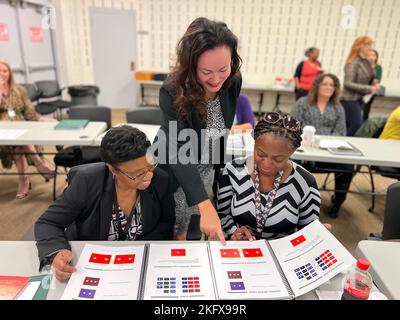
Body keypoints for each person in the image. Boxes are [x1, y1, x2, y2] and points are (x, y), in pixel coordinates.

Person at [35, 125, 175, 281]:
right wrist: (56, 253)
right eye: (137, 174)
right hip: (90, 266)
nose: (148, 176)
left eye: (151, 166)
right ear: (112, 169)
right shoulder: (87, 182)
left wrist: (138, 250)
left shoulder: (160, 179)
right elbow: (48, 223)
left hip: (138, 266)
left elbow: (166, 223)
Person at [156, 17, 242, 242]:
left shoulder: (232, 80)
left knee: (194, 230)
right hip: (176, 169)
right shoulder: (173, 90)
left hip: (206, 165)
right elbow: (177, 151)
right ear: (191, 65)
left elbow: (220, 128)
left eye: (223, 68)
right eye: (206, 72)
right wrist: (205, 205)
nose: (216, 80)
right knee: (174, 231)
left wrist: (205, 203)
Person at [217, 111, 321, 240]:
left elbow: (308, 231)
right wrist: (234, 232)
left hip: (283, 253)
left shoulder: (305, 182)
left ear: (292, 152)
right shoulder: (233, 170)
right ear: (254, 142)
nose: (266, 164)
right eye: (260, 154)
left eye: (278, 159)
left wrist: (317, 236)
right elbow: (222, 214)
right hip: (240, 248)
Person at [291, 73, 354, 218]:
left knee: (348, 166)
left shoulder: (338, 107)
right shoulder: (303, 102)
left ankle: (338, 202)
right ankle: (295, 202)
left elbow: (340, 132)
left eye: (332, 85)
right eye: (325, 84)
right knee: (291, 163)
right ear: (317, 86)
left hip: (328, 154)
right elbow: (293, 126)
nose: (328, 87)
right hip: (304, 151)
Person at [0, 60, 55, 199]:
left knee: (20, 142)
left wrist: (43, 119)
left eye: (5, 71)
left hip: (21, 127)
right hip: (3, 130)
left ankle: (23, 180)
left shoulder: (20, 90)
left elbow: (29, 111)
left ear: (10, 73)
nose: (2, 74)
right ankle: (39, 163)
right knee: (19, 140)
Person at [341, 36, 380, 136]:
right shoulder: (352, 62)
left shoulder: (365, 62)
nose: (370, 48)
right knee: (356, 125)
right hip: (349, 99)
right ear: (360, 46)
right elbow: (348, 83)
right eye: (368, 45)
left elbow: (370, 77)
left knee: (349, 125)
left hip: (360, 99)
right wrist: (370, 88)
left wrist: (374, 82)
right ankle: (346, 143)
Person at [363, 49, 383, 121]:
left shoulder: (378, 67)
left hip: (371, 91)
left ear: (376, 57)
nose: (371, 57)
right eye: (369, 55)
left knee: (366, 108)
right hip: (361, 89)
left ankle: (364, 123)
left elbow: (377, 80)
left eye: (373, 55)